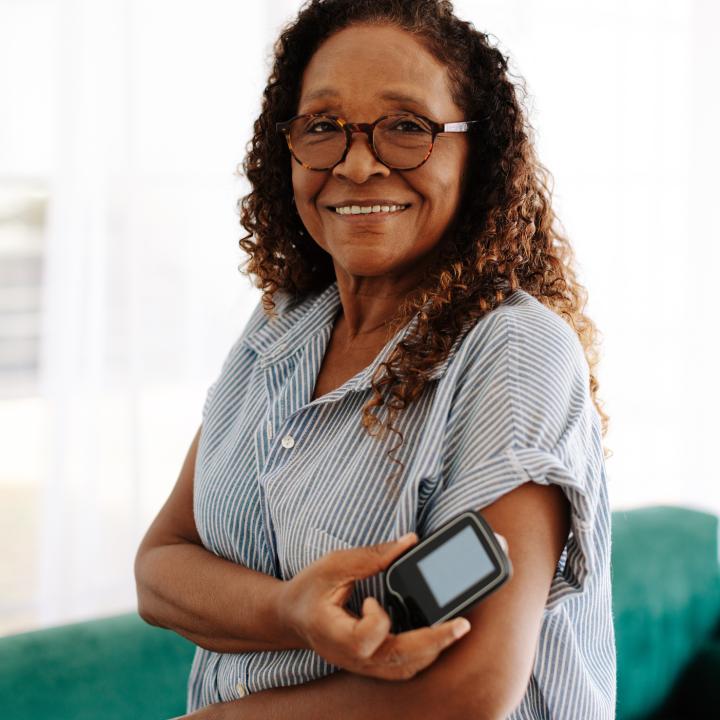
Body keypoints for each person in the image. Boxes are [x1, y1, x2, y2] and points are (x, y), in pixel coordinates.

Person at [134, 1, 616, 718]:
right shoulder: (280, 325)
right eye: (324, 128)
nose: (358, 165)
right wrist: (290, 612)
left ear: (475, 154)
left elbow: (473, 684)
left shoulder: (512, 352)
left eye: (406, 128)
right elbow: (160, 568)